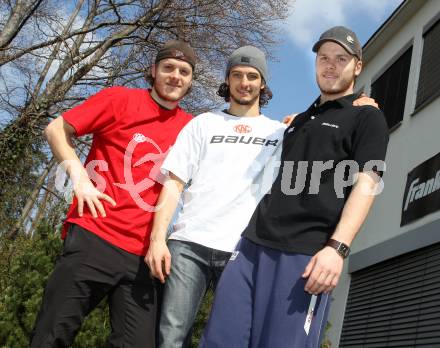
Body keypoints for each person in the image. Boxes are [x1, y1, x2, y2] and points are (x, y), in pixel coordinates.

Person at [146, 45, 379, 348]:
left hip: (243, 248)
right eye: (237, 75)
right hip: (190, 244)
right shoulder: (203, 123)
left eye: (252, 76)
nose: (245, 82)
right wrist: (157, 238)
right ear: (227, 80)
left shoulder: (281, 132)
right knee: (173, 337)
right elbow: (174, 183)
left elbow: (321, 132)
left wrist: (357, 105)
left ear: (263, 84)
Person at [30, 40, 196, 348]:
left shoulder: (191, 128)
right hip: (95, 234)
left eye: (184, 71)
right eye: (168, 68)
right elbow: (55, 129)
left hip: (144, 257)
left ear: (190, 80)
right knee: (52, 335)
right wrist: (80, 178)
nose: (176, 76)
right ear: (153, 71)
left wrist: (285, 131)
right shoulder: (120, 99)